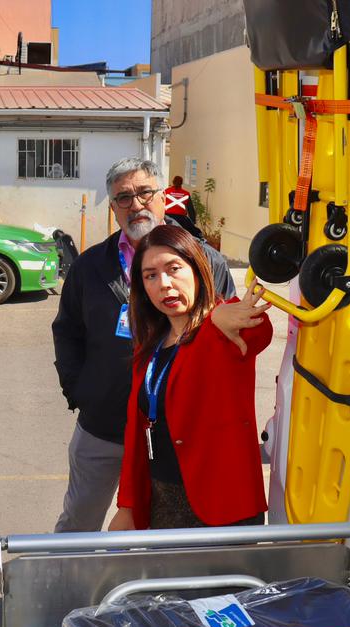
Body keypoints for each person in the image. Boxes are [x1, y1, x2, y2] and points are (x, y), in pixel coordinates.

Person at [51, 157, 234, 533]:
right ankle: (68, 592)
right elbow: (66, 331)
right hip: (104, 428)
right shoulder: (90, 267)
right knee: (78, 525)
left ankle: (141, 593)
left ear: (163, 197)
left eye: (144, 193)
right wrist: (81, 390)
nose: (135, 204)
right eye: (123, 198)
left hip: (177, 434)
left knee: (164, 529)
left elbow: (229, 337)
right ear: (114, 207)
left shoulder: (206, 262)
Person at [107, 224, 272, 531]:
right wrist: (127, 505)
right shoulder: (150, 343)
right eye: (150, 276)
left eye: (174, 269)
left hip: (223, 507)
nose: (164, 284)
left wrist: (216, 318)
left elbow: (258, 330)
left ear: (197, 269)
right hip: (161, 501)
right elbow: (136, 430)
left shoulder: (223, 324)